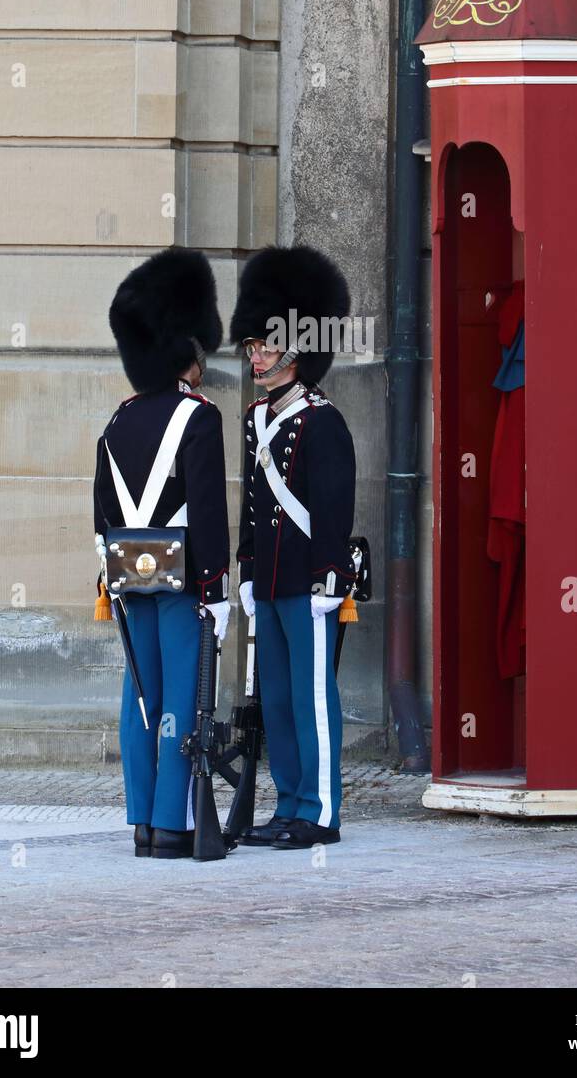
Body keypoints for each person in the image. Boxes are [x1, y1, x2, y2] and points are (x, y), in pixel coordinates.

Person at [93, 247, 230, 860]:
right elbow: (207, 510)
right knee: (179, 694)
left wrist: (111, 567)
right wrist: (216, 587)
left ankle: (143, 821)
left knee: (138, 692)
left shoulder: (117, 422)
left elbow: (100, 513)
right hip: (182, 577)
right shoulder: (198, 417)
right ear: (188, 354)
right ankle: (173, 823)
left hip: (125, 569)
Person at [230, 245, 357, 850]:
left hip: (309, 583)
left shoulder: (322, 420)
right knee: (276, 701)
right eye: (252, 345)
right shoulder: (254, 420)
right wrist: (248, 571)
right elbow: (252, 507)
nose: (257, 354)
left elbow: (333, 508)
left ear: (297, 349)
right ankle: (287, 803)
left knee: (311, 701)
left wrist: (328, 579)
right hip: (272, 583)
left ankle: (320, 811)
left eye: (268, 344)